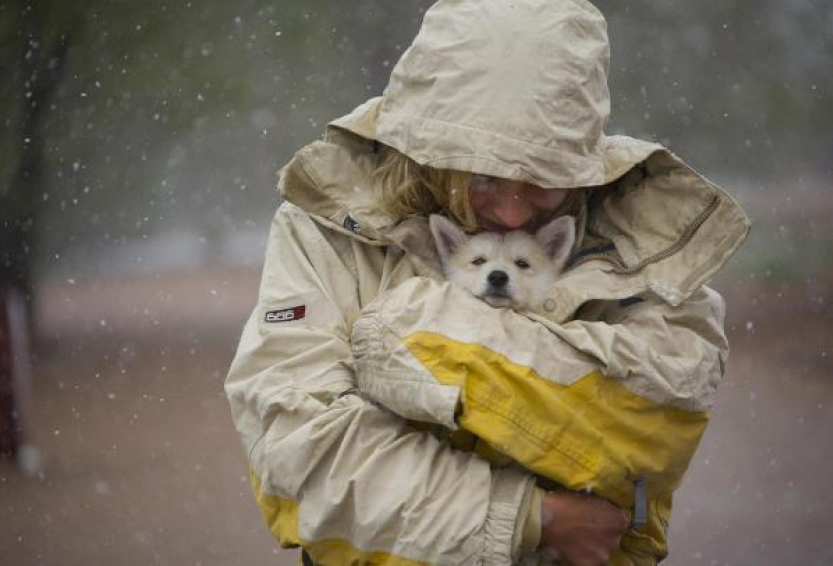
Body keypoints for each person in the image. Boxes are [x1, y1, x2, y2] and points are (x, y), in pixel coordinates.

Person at [225, 1, 750, 564]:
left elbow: (656, 427)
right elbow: (299, 455)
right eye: (483, 178)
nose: (514, 212)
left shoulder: (647, 238)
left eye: (543, 180)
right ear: (431, 153)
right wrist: (532, 517)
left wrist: (423, 350)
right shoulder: (327, 224)